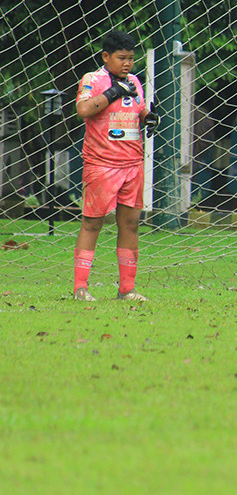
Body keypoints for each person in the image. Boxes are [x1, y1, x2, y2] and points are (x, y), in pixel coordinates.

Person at [72, 30, 158, 301]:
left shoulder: (134, 81)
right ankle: (80, 288)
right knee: (92, 223)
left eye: (131, 58)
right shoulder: (92, 80)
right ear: (106, 57)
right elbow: (83, 110)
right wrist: (111, 93)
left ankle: (127, 289)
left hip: (132, 163)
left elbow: (139, 109)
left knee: (131, 224)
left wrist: (148, 117)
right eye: (122, 58)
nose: (127, 63)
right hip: (101, 164)